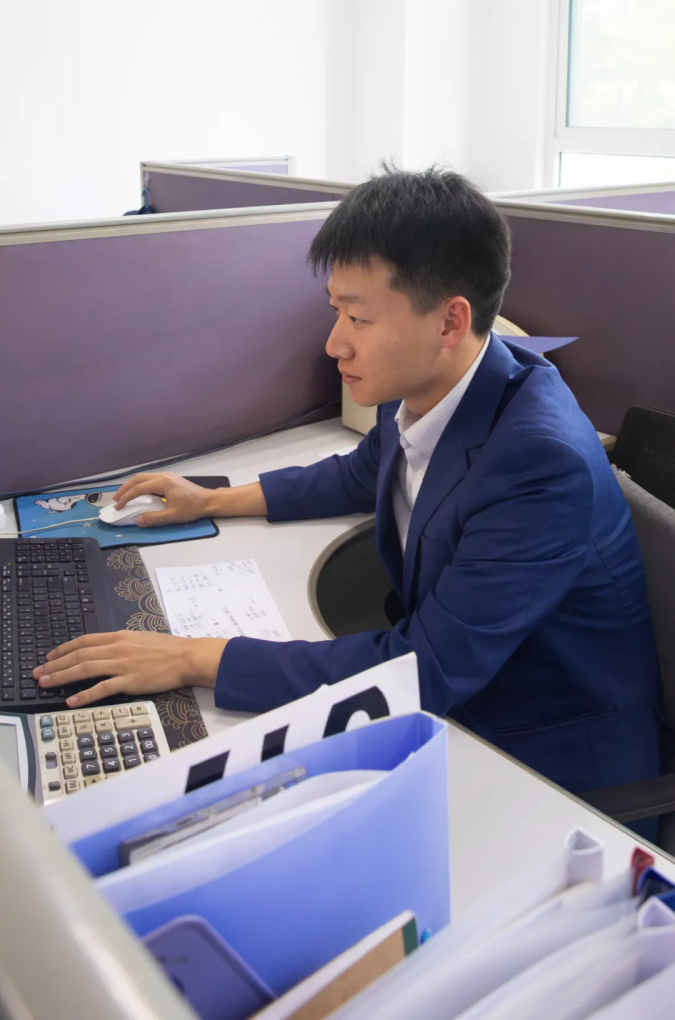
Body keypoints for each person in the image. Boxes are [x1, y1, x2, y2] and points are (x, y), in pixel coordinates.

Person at [33, 167, 661, 803]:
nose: (335, 344)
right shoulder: (430, 382)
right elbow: (362, 472)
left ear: (450, 322)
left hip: (549, 765)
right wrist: (212, 500)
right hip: (471, 695)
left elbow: (425, 670)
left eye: (358, 317)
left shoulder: (537, 462)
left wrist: (190, 657)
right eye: (336, 311)